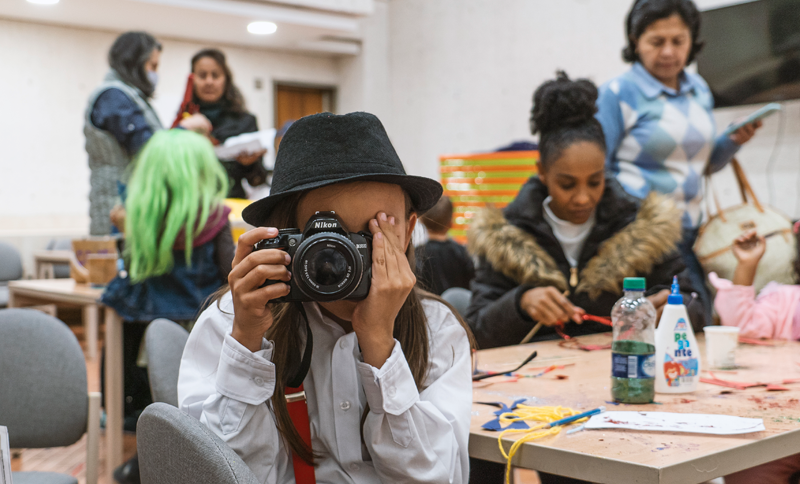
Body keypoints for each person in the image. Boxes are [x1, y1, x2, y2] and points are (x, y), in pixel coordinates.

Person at [178, 112, 473, 483]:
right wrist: (247, 344)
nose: (343, 259)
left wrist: (380, 344)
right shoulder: (232, 323)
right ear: (284, 238)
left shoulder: (437, 330)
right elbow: (220, 475)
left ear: (409, 230)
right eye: (326, 241)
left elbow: (438, 478)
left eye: (374, 231)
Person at [466, 72, 705, 353]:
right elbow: (475, 332)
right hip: (538, 382)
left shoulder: (643, 226)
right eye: (567, 184)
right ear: (542, 172)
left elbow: (696, 304)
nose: (583, 198)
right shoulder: (504, 235)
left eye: (595, 181)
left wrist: (675, 310)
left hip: (621, 372)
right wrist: (520, 303)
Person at [595, 0, 763, 324]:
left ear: (692, 40)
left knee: (692, 324)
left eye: (678, 41)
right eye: (657, 42)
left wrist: (732, 141)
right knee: (661, 328)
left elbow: (702, 164)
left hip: (689, 232)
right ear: (635, 41)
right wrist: (636, 217)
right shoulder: (617, 93)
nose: (669, 52)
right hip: (640, 237)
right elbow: (600, 172)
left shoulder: (698, 89)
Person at [100, 129, 234, 483]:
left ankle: (141, 462)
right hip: (198, 334)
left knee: (158, 408)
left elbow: (132, 272)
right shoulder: (215, 217)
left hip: (151, 336)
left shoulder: (143, 218)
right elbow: (230, 272)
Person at [84, 31, 209, 236]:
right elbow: (149, 149)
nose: (155, 73)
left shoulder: (131, 98)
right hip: (118, 215)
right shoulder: (114, 97)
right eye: (152, 66)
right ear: (133, 63)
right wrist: (186, 128)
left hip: (134, 212)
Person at [708, 228, 800, 483]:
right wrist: (747, 265)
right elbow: (741, 326)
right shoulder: (785, 300)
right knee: (745, 471)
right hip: (777, 432)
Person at [190, 48, 268, 199]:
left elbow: (258, 181)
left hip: (232, 202)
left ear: (226, 79)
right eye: (202, 75)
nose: (209, 81)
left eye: (215, 75)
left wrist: (249, 164)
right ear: (192, 79)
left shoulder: (245, 121)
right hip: (193, 204)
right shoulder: (185, 121)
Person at [415, 195, 475, 295]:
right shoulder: (464, 253)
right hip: (456, 309)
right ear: (451, 223)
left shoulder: (415, 255)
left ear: (422, 221)